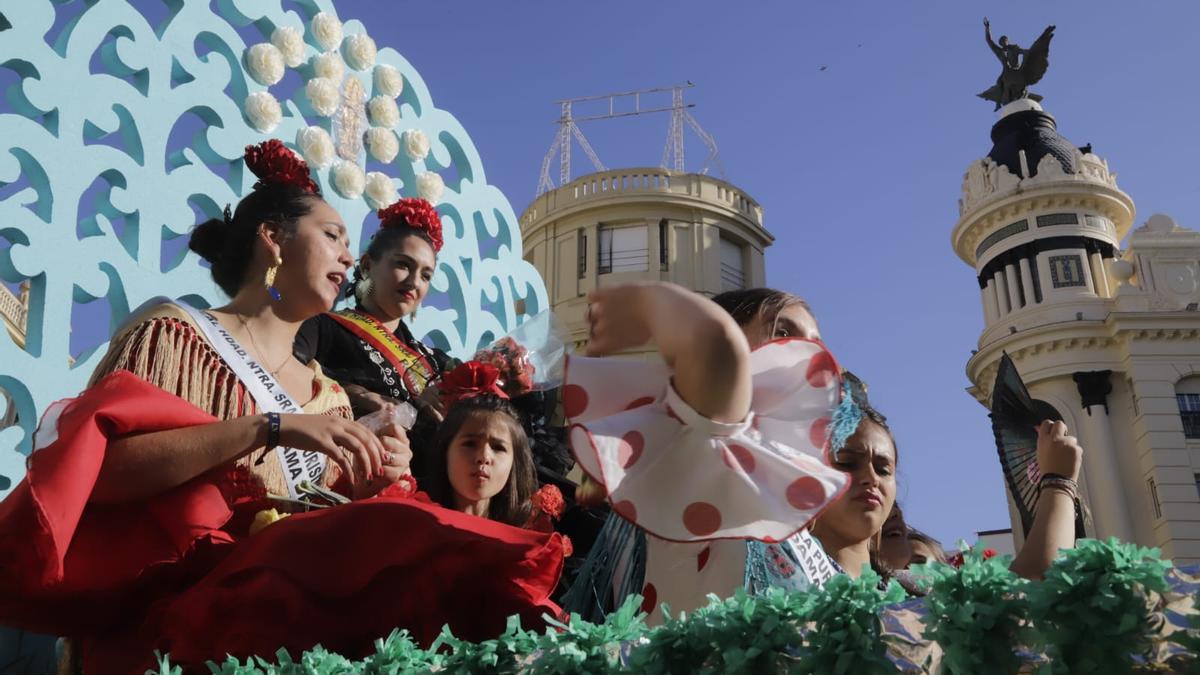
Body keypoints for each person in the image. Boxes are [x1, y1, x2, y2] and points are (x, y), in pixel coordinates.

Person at [0, 140, 564, 674]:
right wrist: (266, 428)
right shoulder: (174, 337)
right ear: (273, 237)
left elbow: (324, 530)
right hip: (170, 632)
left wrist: (373, 485)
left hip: (287, 642)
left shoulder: (330, 398)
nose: (349, 255)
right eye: (333, 236)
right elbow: (96, 478)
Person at [563, 284, 846, 623]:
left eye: (815, 343)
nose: (803, 353)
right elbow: (716, 344)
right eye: (782, 331)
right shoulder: (703, 445)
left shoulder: (755, 473)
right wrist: (644, 303)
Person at [423, 361, 569, 537]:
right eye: (469, 444)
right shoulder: (411, 522)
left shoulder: (527, 545)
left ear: (515, 462)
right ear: (446, 449)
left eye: (498, 448)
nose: (483, 456)